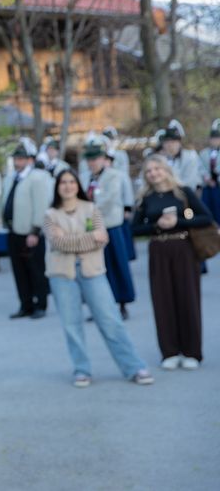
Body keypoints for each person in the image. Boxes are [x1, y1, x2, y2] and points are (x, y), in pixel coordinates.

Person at [43, 171, 154, 388]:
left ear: (78, 185)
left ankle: (134, 367)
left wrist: (73, 239)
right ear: (57, 187)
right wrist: (88, 238)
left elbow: (102, 238)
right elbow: (58, 243)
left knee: (111, 321)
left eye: (72, 182)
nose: (68, 186)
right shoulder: (50, 214)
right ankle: (81, 369)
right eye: (63, 182)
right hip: (62, 274)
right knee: (71, 325)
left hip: (92, 271)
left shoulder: (91, 209)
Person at [132, 155, 211, 370]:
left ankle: (192, 351)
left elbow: (206, 218)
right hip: (159, 250)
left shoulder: (182, 193)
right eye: (149, 171)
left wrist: (179, 221)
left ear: (166, 170)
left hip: (183, 249)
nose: (153, 173)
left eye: (157, 168)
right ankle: (169, 351)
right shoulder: (145, 199)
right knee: (162, 299)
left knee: (188, 298)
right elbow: (134, 229)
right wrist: (156, 226)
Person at [0, 140, 51, 320]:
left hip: (30, 233)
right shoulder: (11, 178)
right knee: (19, 271)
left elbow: (41, 206)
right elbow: (4, 200)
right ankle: (25, 304)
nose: (17, 162)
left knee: (35, 269)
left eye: (21, 158)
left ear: (29, 159)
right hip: (13, 231)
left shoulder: (38, 177)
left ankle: (40, 304)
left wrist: (35, 231)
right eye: (16, 158)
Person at [79, 143, 135, 320]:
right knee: (94, 269)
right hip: (90, 228)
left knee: (116, 265)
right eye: (89, 160)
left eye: (95, 159)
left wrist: (86, 209)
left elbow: (108, 200)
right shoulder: (84, 177)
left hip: (110, 226)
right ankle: (98, 306)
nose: (92, 163)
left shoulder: (114, 176)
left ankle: (121, 304)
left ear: (104, 159)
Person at [161, 119, 204, 192]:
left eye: (173, 141)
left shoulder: (190, 156)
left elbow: (190, 182)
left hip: (187, 194)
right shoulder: (161, 158)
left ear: (179, 143)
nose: (169, 144)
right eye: (167, 142)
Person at [199, 120, 220, 222]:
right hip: (207, 185)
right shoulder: (203, 153)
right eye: (213, 139)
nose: (215, 141)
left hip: (218, 184)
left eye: (217, 139)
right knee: (207, 207)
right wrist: (207, 178)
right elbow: (200, 167)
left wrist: (215, 175)